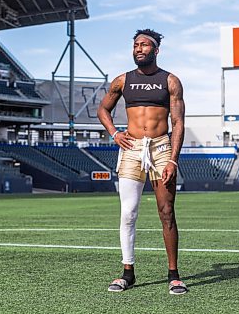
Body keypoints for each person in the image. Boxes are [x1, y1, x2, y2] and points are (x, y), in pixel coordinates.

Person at [97, 29, 187, 295]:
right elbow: (103, 109)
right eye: (136, 45)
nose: (139, 48)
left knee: (166, 212)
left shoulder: (170, 81)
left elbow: (178, 122)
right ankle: (128, 273)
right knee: (129, 212)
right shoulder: (122, 81)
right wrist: (114, 133)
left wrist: (173, 159)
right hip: (131, 149)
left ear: (156, 50)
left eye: (145, 45)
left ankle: (174, 275)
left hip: (161, 148)